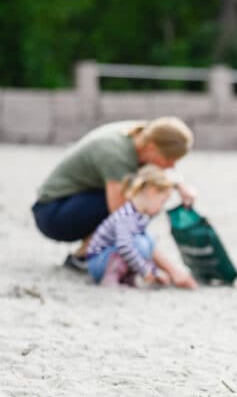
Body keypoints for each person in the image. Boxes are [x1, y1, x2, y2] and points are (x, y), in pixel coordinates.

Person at [32, 118, 199, 288]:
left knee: (145, 198)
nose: (171, 167)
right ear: (151, 148)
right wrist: (172, 270)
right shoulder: (116, 154)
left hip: (78, 199)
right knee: (137, 204)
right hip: (52, 213)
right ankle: (86, 256)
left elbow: (159, 171)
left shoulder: (142, 133)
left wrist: (179, 185)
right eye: (170, 160)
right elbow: (125, 220)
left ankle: (85, 254)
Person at [86, 165, 176, 286]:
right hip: (98, 262)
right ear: (151, 191)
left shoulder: (138, 216)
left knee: (148, 241)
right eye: (162, 201)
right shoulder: (126, 216)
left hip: (107, 257)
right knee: (139, 244)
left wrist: (154, 271)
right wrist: (145, 271)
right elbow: (125, 246)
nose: (161, 207)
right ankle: (111, 277)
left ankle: (125, 276)